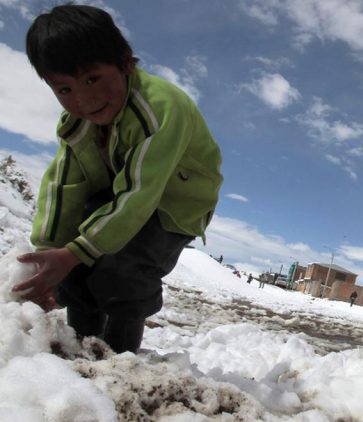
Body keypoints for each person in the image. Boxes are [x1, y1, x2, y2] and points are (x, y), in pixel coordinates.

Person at [12, 4, 223, 354]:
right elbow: (63, 184)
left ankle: (119, 360)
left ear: (125, 62)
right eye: (64, 90)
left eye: (92, 79)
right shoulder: (77, 123)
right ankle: (82, 347)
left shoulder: (160, 109)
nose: (83, 99)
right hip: (118, 195)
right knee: (77, 268)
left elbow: (141, 193)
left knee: (124, 273)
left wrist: (74, 252)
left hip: (174, 205)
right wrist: (50, 251)